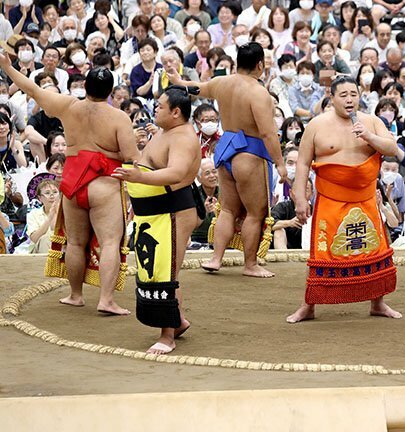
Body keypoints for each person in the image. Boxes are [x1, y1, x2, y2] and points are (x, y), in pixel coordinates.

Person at [0, 52, 139, 315]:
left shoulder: (68, 106)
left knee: (74, 242)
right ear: (110, 91)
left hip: (73, 183)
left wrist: (7, 67)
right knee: (110, 242)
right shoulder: (119, 118)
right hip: (103, 184)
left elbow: (32, 88)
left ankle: (76, 295)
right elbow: (132, 157)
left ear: (85, 87)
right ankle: (106, 300)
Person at [286, 76, 401, 323]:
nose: (349, 99)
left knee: (373, 249)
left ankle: (378, 303)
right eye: (343, 95)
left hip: (365, 197)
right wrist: (300, 199)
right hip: (331, 198)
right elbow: (303, 163)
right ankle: (308, 305)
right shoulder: (316, 125)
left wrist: (369, 136)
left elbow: (392, 150)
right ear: (333, 97)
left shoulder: (372, 121)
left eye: (354, 94)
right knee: (322, 252)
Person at [169, 42, 287, 277]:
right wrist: (280, 163)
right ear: (260, 65)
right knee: (255, 212)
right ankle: (250, 264)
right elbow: (267, 133)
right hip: (250, 153)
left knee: (228, 210)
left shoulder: (222, 83)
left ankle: (215, 258)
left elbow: (197, 88)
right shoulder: (258, 92)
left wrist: (179, 82)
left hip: (226, 152)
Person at [112, 86, 201, 354]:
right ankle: (178, 322)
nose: (155, 109)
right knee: (159, 268)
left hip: (173, 209)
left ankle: (167, 337)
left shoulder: (183, 138)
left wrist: (139, 179)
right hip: (152, 209)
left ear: (176, 112)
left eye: (160, 106)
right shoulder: (165, 132)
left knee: (166, 271)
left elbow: (176, 173)